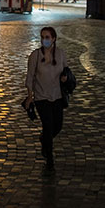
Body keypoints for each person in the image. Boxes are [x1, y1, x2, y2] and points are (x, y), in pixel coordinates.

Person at [25, 26, 68, 170]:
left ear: (54, 39)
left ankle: (44, 139)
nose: (44, 40)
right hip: (41, 97)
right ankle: (49, 158)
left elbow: (66, 72)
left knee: (58, 126)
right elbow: (30, 76)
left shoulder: (61, 54)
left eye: (47, 37)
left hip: (57, 96)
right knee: (48, 126)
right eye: (42, 37)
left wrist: (65, 79)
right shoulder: (35, 56)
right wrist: (30, 96)